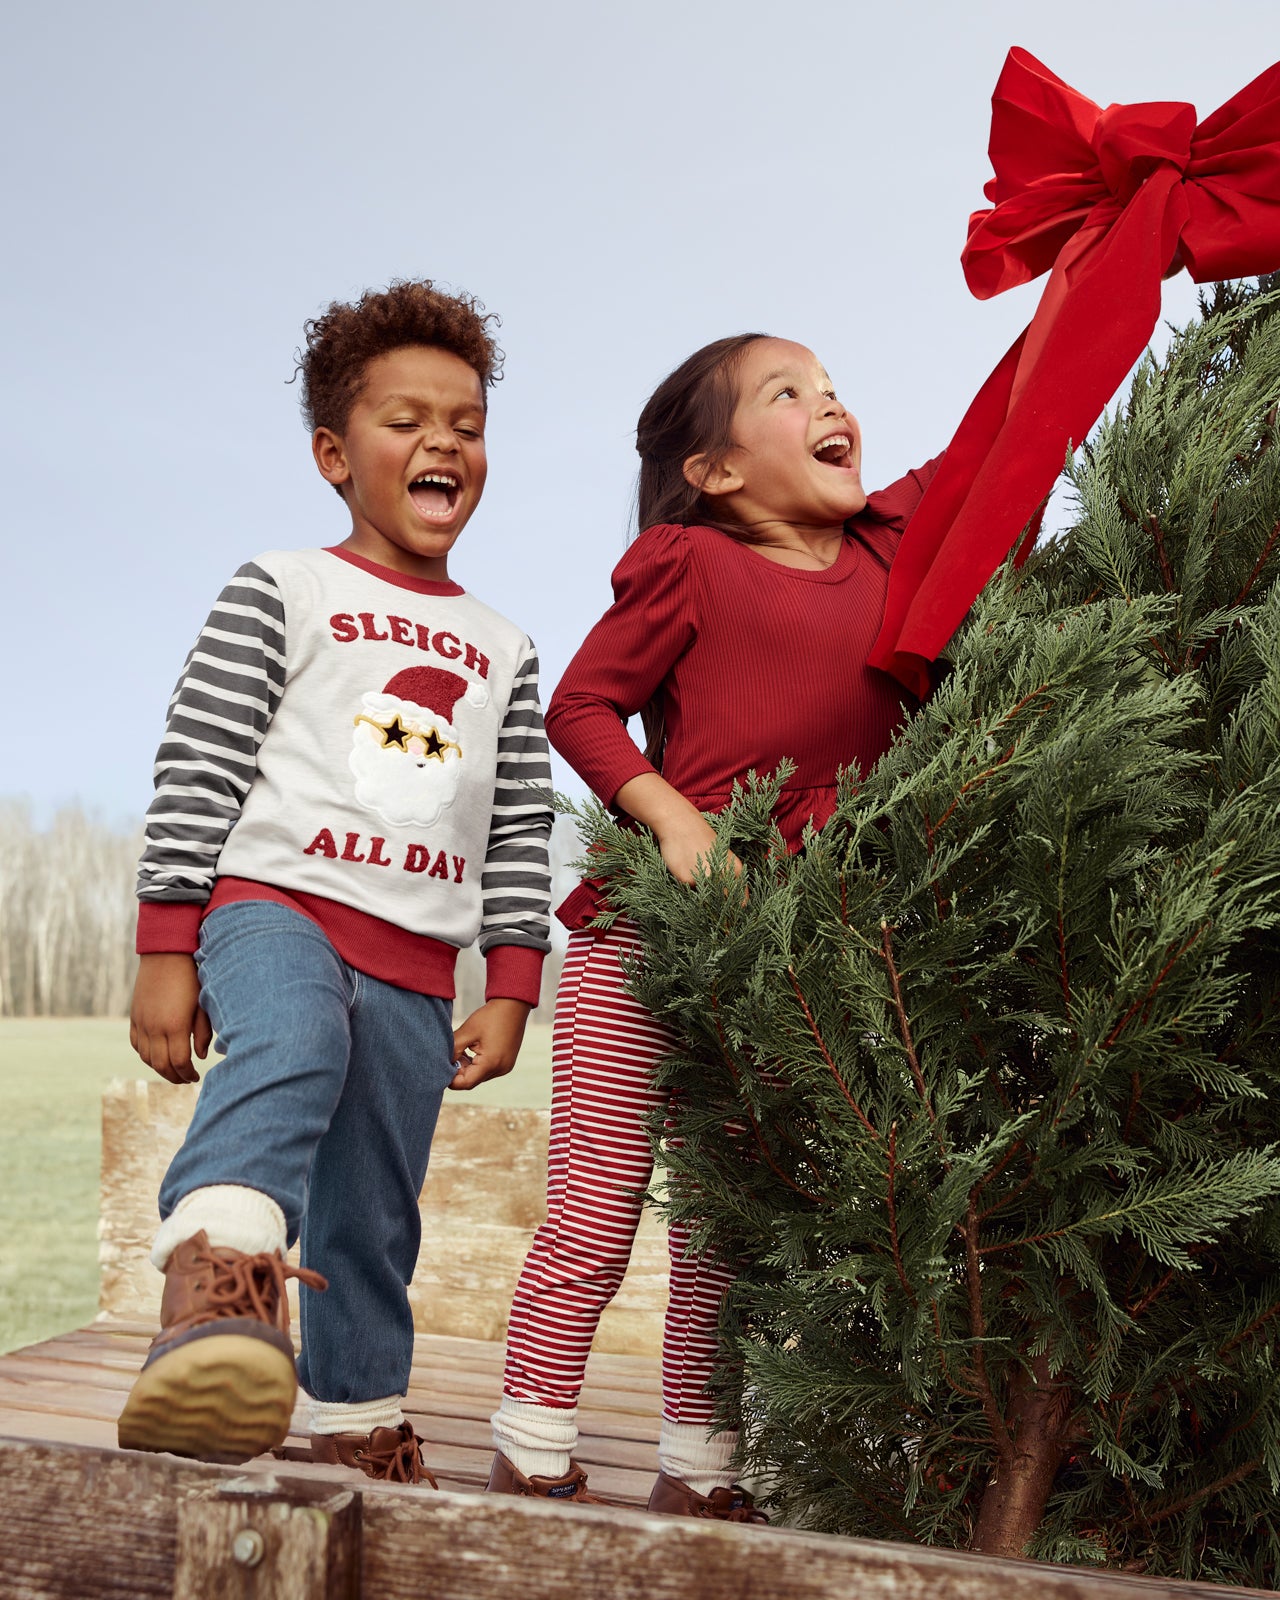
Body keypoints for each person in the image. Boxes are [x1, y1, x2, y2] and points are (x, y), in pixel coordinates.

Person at [487, 333, 939, 1517]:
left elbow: (1008, 431)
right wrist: (670, 818)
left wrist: (1103, 252)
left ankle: (699, 1467)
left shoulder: (890, 550)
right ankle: (529, 1441)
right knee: (595, 1206)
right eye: (787, 394)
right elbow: (579, 705)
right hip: (644, 944)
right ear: (716, 471)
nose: (829, 403)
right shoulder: (688, 562)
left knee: (722, 1232)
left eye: (833, 388)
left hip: (778, 963)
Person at [117, 280, 554, 1486]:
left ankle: (355, 1409)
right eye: (405, 420)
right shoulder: (283, 589)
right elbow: (198, 761)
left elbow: (521, 820)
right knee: (294, 1040)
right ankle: (214, 1294)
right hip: (274, 908)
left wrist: (510, 980)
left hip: (416, 963)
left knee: (374, 1201)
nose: (442, 444)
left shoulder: (506, 646)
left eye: (464, 423)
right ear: (332, 453)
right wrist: (165, 945)